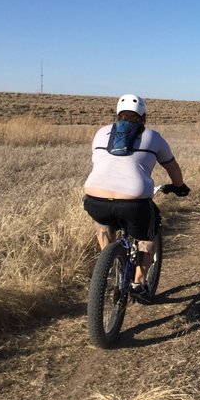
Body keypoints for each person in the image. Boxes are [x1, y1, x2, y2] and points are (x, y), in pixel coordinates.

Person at [83, 93, 189, 298]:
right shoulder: (153, 137)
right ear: (144, 116)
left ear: (118, 114)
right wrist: (180, 187)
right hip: (134, 201)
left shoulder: (101, 132)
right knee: (147, 234)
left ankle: (111, 264)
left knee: (103, 221)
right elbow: (172, 167)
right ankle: (138, 283)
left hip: (95, 196)